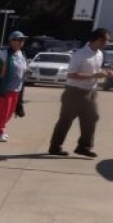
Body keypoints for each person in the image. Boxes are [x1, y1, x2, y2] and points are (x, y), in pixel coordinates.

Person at [48, 27, 112, 157]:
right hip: (74, 92)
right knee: (66, 120)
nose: (107, 43)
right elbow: (71, 75)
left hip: (90, 92)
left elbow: (96, 70)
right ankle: (55, 147)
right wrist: (94, 75)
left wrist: (106, 73)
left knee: (92, 118)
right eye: (106, 40)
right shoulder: (80, 54)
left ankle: (84, 147)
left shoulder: (99, 53)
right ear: (99, 40)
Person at [0, 30, 28, 142]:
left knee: (9, 113)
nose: (21, 42)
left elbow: (22, 68)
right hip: (5, 88)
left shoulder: (21, 54)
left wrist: (27, 71)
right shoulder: (5, 54)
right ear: (11, 41)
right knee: (3, 112)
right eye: (18, 39)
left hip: (16, 89)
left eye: (22, 40)